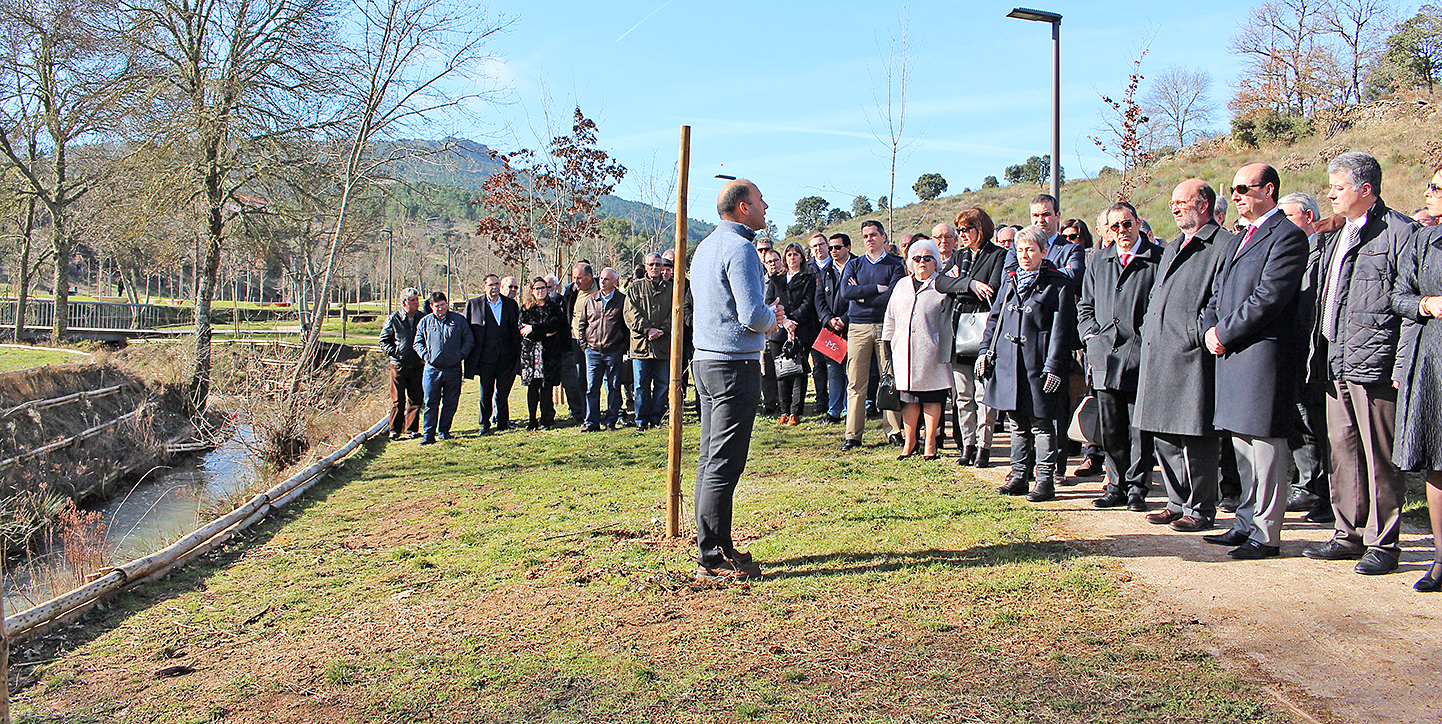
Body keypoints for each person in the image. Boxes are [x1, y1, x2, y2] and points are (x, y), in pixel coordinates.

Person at [1301, 152, 1417, 575]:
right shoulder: (1337, 233)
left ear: (1366, 190)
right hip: (1336, 358)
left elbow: (1408, 306)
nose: (1330, 193)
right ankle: (1347, 533)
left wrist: (1400, 365)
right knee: (1343, 450)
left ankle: (1383, 543)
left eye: (1339, 186)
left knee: (1379, 455)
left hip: (1377, 363)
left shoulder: (1400, 232)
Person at [1201, 162, 1308, 560]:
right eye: (1233, 188)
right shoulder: (1240, 238)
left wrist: (1223, 333)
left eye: (1244, 188)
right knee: (1241, 444)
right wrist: (1211, 328)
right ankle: (1245, 521)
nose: (1237, 195)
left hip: (1262, 354)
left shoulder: (1288, 237)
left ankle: (1267, 533)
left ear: (1269, 190)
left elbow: (1268, 298)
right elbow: (1217, 293)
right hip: (1231, 352)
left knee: (1265, 445)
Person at [691, 179, 779, 580]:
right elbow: (751, 315)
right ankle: (711, 557)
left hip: (707, 362)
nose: (766, 205)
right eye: (760, 200)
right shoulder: (742, 249)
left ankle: (719, 545)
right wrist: (774, 316)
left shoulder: (706, 246)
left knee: (712, 459)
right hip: (733, 365)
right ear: (743, 207)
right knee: (724, 462)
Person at [1136, 180, 1233, 533]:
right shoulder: (1174, 245)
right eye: (1172, 202)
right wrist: (1150, 327)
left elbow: (1219, 300)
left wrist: (1194, 332)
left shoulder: (1223, 245)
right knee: (1163, 432)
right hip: (1159, 350)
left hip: (1192, 354)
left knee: (1195, 436)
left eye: (1182, 201)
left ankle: (1201, 506)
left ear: (1204, 204)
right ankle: (1176, 502)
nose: (1175, 208)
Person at [978, 225, 1076, 502]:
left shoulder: (1059, 284)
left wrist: (1054, 366)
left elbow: (1062, 330)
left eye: (1031, 250)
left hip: (1039, 365)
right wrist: (986, 350)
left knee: (1042, 425)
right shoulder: (1010, 280)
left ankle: (1045, 481)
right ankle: (1019, 476)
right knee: (1016, 422)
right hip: (1009, 363)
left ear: (1043, 252)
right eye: (1020, 250)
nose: (1024, 255)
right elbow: (995, 319)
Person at [1080, 202, 1162, 511]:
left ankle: (1137, 487)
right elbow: (1085, 305)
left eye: (1126, 224)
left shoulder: (1156, 260)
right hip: (1105, 355)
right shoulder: (1100, 260)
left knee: (1138, 427)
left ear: (1138, 223)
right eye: (1114, 227)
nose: (1121, 232)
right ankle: (1115, 484)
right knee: (1111, 426)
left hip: (1141, 355)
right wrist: (1090, 335)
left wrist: (1146, 342)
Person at [1392, 166, 1442, 591]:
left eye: (1438, 188)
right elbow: (1399, 294)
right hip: (1434, 359)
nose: (1429, 193)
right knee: (1437, 460)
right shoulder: (1423, 239)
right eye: (1430, 185)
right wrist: (1426, 303)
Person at [1276, 191, 1335, 526]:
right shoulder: (1290, 253)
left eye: (1289, 216)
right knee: (1299, 423)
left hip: (1319, 353)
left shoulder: (1323, 252)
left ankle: (1324, 492)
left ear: (1309, 217)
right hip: (1293, 350)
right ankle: (1305, 484)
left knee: (1320, 427)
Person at [934, 209, 1006, 467]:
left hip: (983, 334)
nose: (962, 235)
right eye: (960, 231)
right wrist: (971, 285)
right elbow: (940, 283)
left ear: (981, 229)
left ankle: (984, 447)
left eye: (967, 230)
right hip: (957, 334)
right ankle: (968, 444)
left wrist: (962, 286)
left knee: (983, 395)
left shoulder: (999, 255)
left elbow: (994, 290)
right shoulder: (959, 256)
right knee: (962, 396)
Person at [839, 220, 906, 451]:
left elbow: (893, 297)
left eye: (874, 235)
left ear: (883, 237)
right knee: (856, 382)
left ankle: (894, 431)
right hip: (858, 328)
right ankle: (853, 435)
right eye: (865, 236)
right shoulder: (854, 264)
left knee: (889, 379)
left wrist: (862, 295)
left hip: (886, 327)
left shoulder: (896, 265)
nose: (869, 239)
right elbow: (847, 291)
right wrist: (877, 289)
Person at [884, 237, 953, 460]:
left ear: (936, 262)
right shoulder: (901, 285)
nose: (921, 262)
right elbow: (890, 317)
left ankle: (930, 443)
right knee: (908, 400)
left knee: (932, 399)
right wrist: (888, 344)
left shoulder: (941, 285)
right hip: (903, 352)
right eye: (916, 258)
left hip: (931, 353)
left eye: (927, 258)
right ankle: (910, 441)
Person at [1062, 217, 1107, 478]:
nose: (1070, 242)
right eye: (1066, 237)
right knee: (1086, 397)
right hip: (1083, 335)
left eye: (1074, 237)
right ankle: (1090, 454)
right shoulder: (1090, 257)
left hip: (1110, 338)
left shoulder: (1087, 258)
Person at [766, 241, 817, 425]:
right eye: (789, 254)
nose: (792, 257)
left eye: (796, 254)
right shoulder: (775, 279)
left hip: (801, 330)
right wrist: (784, 321)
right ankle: (784, 410)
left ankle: (795, 411)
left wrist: (793, 321)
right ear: (785, 258)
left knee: (798, 371)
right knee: (781, 371)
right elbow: (769, 301)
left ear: (802, 257)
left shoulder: (809, 278)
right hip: (778, 330)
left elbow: (808, 303)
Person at [462, 275, 521, 434]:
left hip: (506, 357)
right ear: (484, 287)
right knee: (485, 393)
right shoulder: (474, 305)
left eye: (496, 284)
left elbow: (515, 330)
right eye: (490, 285)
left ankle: (502, 422)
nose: (494, 288)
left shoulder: (510, 304)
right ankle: (484, 423)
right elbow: (466, 331)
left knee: (503, 393)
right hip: (485, 358)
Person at [412, 291, 472, 445]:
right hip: (432, 369)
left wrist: (461, 355)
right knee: (431, 402)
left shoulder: (458, 320)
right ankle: (429, 434)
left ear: (447, 304)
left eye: (443, 304)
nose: (440, 308)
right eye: (437, 306)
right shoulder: (425, 322)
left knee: (451, 402)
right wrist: (426, 356)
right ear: (431, 307)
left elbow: (469, 340)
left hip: (453, 369)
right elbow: (417, 342)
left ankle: (444, 431)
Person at [623, 252, 673, 430]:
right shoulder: (635, 288)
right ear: (645, 267)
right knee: (640, 385)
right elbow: (630, 314)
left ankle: (657, 418)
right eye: (651, 264)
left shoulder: (671, 289)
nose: (655, 267)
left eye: (658, 264)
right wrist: (647, 329)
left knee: (662, 384)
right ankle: (641, 421)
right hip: (640, 346)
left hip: (663, 344)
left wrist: (662, 330)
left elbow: (674, 313)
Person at [574, 267, 628, 431]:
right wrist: (585, 346)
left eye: (606, 279)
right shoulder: (590, 300)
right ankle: (592, 422)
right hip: (593, 351)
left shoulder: (622, 300)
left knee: (613, 387)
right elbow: (582, 325)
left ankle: (611, 421)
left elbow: (626, 327)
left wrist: (622, 348)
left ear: (615, 282)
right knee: (592, 388)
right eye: (601, 278)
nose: (602, 282)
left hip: (614, 351)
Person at [814, 233, 853, 424]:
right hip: (832, 329)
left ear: (848, 248)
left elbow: (860, 297)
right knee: (834, 371)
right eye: (831, 248)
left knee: (851, 371)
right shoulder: (826, 271)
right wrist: (829, 319)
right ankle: (834, 411)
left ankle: (849, 411)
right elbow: (819, 299)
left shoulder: (858, 267)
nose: (833, 251)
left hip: (853, 327)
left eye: (837, 247)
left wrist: (845, 319)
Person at [518, 277, 567, 430]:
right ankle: (532, 420)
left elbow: (554, 326)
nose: (540, 291)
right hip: (531, 355)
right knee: (532, 388)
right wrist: (542, 333)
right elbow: (523, 330)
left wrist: (534, 328)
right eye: (537, 288)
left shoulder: (554, 307)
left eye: (543, 288)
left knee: (546, 388)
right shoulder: (525, 309)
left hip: (549, 354)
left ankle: (545, 419)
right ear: (532, 291)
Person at [378, 287, 425, 440]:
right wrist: (396, 353)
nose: (416, 303)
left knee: (416, 399)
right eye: (413, 301)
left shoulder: (422, 318)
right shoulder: (394, 319)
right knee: (398, 400)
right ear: (404, 302)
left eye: (417, 300)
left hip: (417, 365)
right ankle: (394, 430)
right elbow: (384, 340)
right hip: (398, 365)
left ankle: (411, 429)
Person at [561, 263, 596, 422]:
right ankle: (583, 412)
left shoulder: (600, 287)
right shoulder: (571, 291)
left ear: (589, 277)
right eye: (574, 278)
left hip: (597, 341)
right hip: (576, 341)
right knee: (580, 379)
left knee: (597, 380)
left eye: (579, 278)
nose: (576, 281)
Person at [806, 231, 834, 415]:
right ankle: (821, 401)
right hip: (813, 324)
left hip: (833, 322)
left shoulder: (836, 265)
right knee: (818, 365)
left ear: (827, 246)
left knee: (835, 365)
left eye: (821, 244)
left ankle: (837, 400)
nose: (818, 248)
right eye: (814, 246)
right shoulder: (806, 268)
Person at [759, 247, 784, 416]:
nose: (773, 264)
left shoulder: (786, 279)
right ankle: (769, 403)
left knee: (784, 368)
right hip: (765, 330)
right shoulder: (760, 281)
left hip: (784, 328)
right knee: (766, 368)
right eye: (769, 261)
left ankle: (784, 403)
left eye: (776, 260)